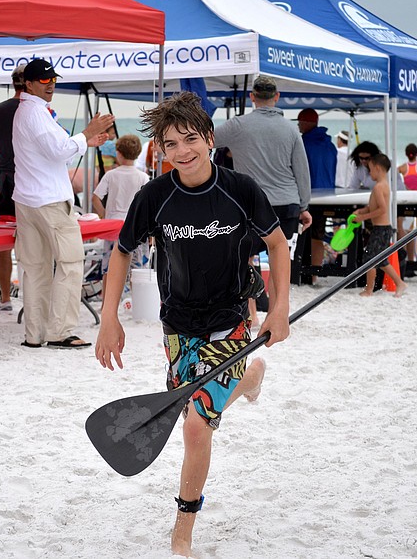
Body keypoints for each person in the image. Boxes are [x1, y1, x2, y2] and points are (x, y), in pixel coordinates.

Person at [95, 92, 290, 558]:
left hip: (230, 323)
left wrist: (280, 305)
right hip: (178, 327)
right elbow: (121, 252)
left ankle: (182, 531)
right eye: (170, 144)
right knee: (198, 414)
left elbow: (278, 245)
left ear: (208, 138)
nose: (182, 151)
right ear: (159, 150)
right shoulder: (155, 196)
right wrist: (108, 318)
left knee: (197, 424)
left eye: (189, 139)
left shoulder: (239, 189)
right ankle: (248, 378)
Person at [12, 58, 113, 348]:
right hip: (49, 201)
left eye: (53, 80)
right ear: (29, 84)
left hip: (28, 199)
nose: (51, 85)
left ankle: (35, 334)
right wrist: (87, 133)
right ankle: (59, 331)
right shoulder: (35, 113)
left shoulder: (28, 111)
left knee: (35, 268)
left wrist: (84, 142)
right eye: (45, 81)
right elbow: (58, 151)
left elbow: (52, 151)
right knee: (69, 263)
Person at [213, 75, 311, 320]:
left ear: (252, 97)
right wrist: (304, 206)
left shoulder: (238, 125)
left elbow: (206, 140)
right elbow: (301, 170)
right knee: (280, 261)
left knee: (243, 258)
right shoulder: (291, 129)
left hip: (250, 203)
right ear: (277, 97)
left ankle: (252, 314)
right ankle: (276, 315)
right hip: (286, 203)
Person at [91, 134, 150, 307]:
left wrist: (104, 216)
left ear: (118, 153)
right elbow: (147, 204)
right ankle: (138, 303)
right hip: (135, 226)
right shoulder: (143, 177)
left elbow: (95, 198)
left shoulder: (111, 175)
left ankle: (105, 305)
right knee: (137, 268)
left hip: (113, 227)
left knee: (109, 267)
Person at [0, 63, 25, 313]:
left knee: (3, 241)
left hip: (5, 181)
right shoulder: (38, 110)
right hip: (30, 181)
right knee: (33, 240)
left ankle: (4, 300)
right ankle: (29, 296)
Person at [352, 153, 407, 298]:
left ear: (377, 168)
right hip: (382, 229)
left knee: (370, 258)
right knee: (380, 260)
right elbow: (372, 206)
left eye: (370, 169)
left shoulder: (378, 188)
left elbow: (382, 210)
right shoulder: (382, 186)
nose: (369, 173)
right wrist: (361, 210)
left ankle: (370, 289)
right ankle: (399, 283)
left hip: (381, 229)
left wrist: (363, 217)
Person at [297, 108, 337, 271]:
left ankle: (299, 270)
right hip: (327, 195)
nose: (298, 126)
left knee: (301, 235)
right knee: (317, 236)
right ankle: (315, 272)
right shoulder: (331, 146)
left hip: (308, 195)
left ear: (306, 123)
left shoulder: (304, 144)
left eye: (299, 122)